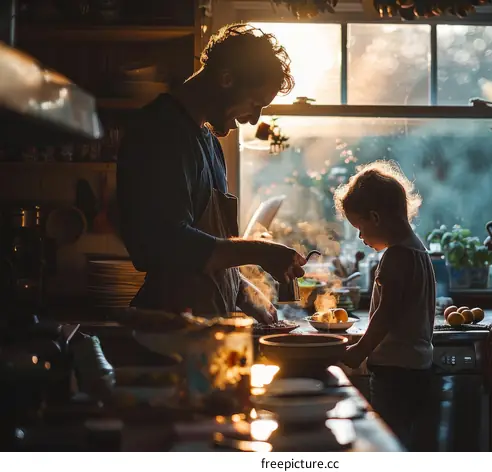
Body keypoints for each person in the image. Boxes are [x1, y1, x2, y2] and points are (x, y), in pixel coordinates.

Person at [117, 23, 306, 323]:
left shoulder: (211, 144)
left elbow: (207, 251)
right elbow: (163, 242)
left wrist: (243, 292)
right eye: (254, 104)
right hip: (170, 330)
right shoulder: (159, 132)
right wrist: (260, 251)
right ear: (226, 78)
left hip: (208, 330)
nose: (253, 119)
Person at [334, 160, 436, 451]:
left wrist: (360, 351)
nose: (359, 236)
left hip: (394, 372)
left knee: (387, 443)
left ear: (375, 217)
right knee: (406, 440)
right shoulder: (419, 252)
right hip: (418, 368)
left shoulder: (396, 258)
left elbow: (386, 314)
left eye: (359, 226)